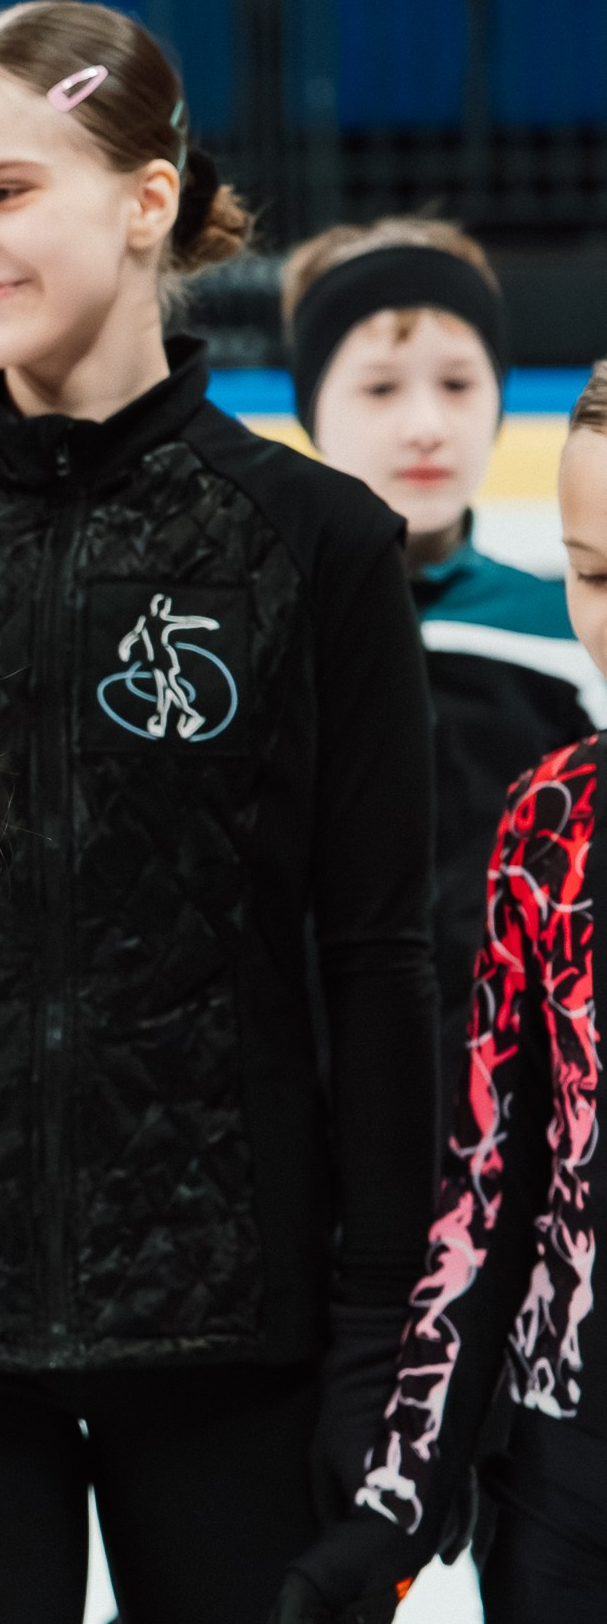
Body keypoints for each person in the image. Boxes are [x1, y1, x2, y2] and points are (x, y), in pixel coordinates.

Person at [0, 0, 441, 1624]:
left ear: (147, 199)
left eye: (5, 192)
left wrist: (385, 1358)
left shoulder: (316, 544)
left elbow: (378, 961)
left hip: (241, 1337)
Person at [285, 364, 607, 1622]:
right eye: (592, 573)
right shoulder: (552, 824)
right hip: (562, 1495)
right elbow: (493, 1183)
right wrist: (402, 1493)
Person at [288, 218, 599, 1116]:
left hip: (526, 1110)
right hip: (315, 1115)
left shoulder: (565, 623)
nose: (426, 424)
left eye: (460, 384)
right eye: (380, 387)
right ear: (314, 410)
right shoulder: (257, 624)